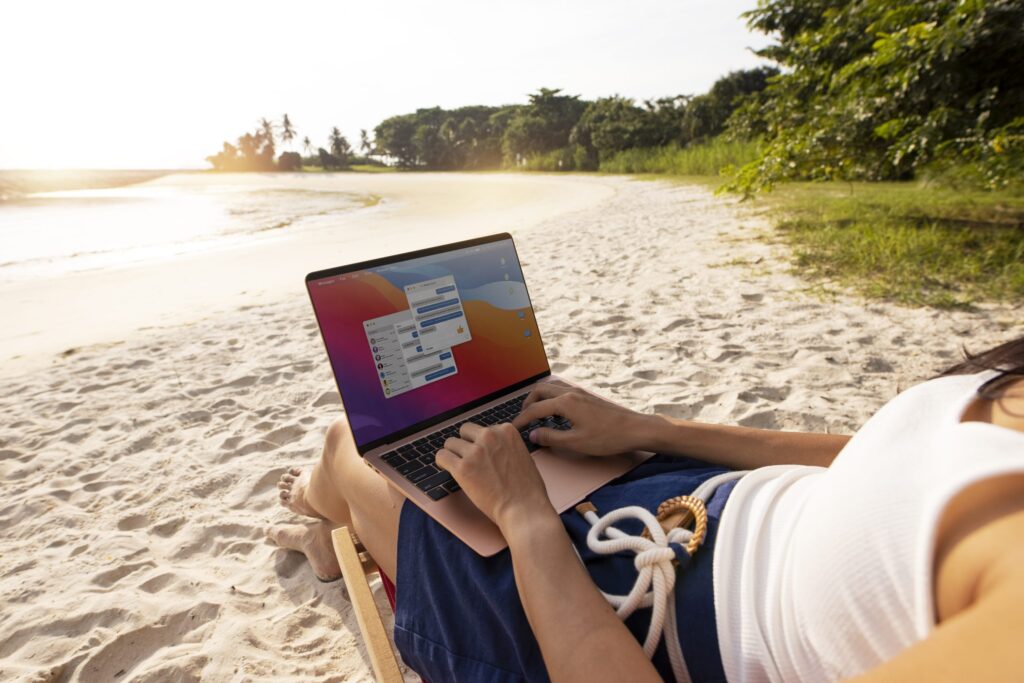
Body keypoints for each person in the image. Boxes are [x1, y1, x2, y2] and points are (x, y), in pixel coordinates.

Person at [268, 335, 1024, 682]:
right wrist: (652, 430)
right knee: (469, 437)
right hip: (690, 496)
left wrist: (527, 520)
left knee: (348, 443)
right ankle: (323, 512)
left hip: (625, 611)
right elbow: (881, 456)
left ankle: (316, 509)